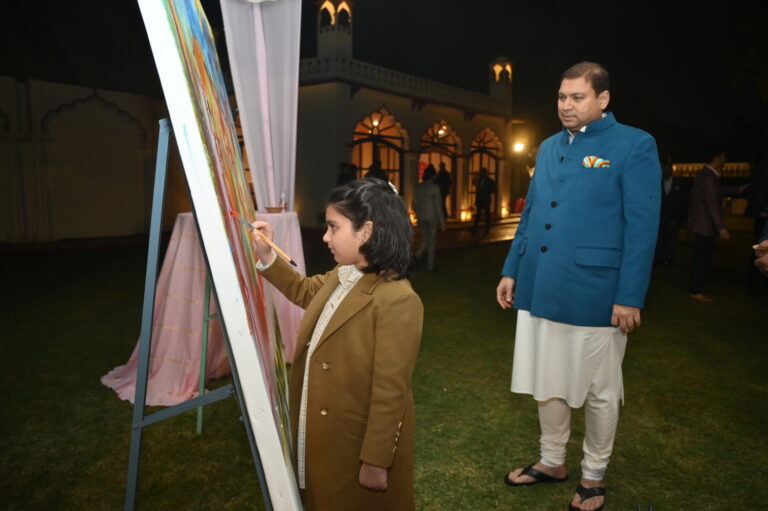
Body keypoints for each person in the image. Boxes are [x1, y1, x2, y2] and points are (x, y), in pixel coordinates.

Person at [496, 62, 660, 511]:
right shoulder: (548, 147)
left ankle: (593, 475)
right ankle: (552, 461)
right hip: (539, 283)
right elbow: (530, 215)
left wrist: (629, 296)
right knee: (546, 380)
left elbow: (642, 227)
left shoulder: (634, 145)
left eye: (577, 98)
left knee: (599, 390)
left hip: (596, 291)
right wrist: (512, 269)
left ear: (602, 99)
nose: (566, 106)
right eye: (561, 97)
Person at [250, 178, 422, 511]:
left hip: (354, 444)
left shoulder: (397, 300)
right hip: (326, 432)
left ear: (366, 231)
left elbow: (391, 392)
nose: (326, 237)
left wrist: (375, 460)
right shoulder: (343, 273)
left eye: (333, 227)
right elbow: (304, 291)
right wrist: (267, 256)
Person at [686, 150, 729, 302]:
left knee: (701, 257)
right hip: (704, 225)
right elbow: (712, 204)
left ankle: (697, 287)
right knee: (702, 258)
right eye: (724, 157)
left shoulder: (704, 174)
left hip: (701, 224)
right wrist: (721, 227)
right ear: (718, 157)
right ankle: (695, 290)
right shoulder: (709, 177)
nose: (725, 161)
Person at [655, 156, 688, 265]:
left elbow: (684, 200)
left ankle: (668, 259)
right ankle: (658, 258)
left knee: (671, 239)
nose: (666, 170)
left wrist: (682, 217)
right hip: (659, 217)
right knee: (659, 239)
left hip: (673, 217)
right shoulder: (657, 182)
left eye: (668, 168)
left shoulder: (679, 182)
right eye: (664, 168)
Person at [412, 164, 446, 271]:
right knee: (432, 241)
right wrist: (442, 222)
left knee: (425, 239)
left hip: (421, 216)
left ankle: (416, 258)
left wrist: (417, 214)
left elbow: (414, 203)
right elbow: (438, 206)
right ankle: (430, 266)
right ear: (433, 176)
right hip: (432, 217)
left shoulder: (418, 186)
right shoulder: (435, 187)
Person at [470, 167, 496, 234]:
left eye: (483, 173)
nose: (482, 174)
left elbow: (493, 190)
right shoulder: (478, 180)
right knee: (478, 215)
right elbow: (473, 183)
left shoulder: (490, 181)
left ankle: (487, 229)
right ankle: (474, 228)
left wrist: (486, 192)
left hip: (486, 200)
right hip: (479, 200)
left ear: (485, 173)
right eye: (481, 173)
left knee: (487, 216)